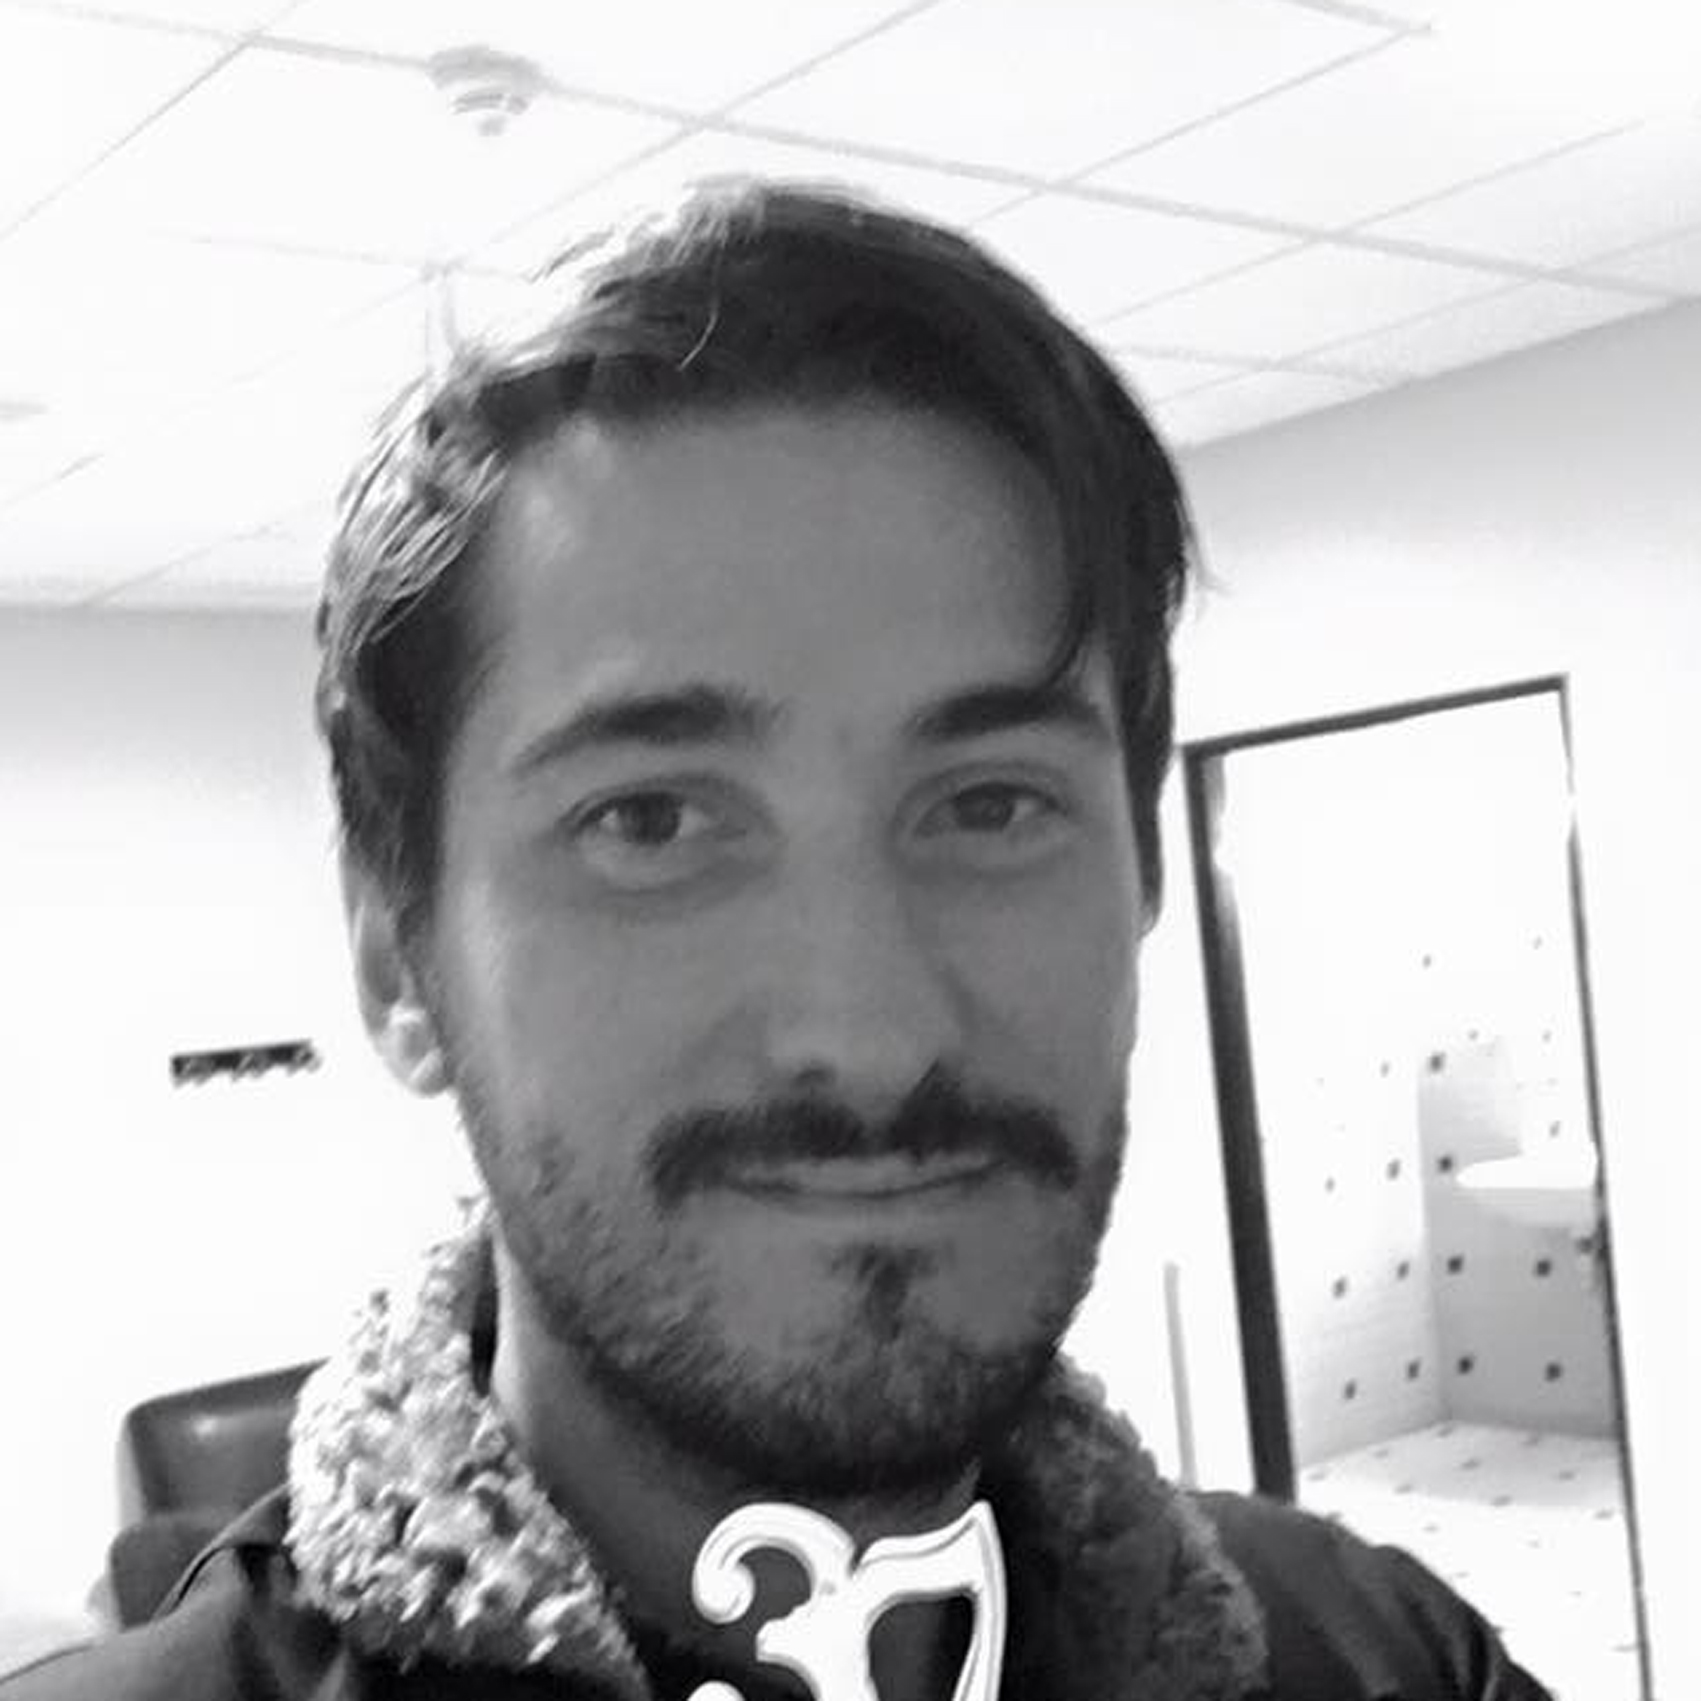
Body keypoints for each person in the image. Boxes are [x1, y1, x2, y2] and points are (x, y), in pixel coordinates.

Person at [1, 180, 1552, 1700]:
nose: (869, 1033)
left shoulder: (1386, 1655)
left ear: (1143, 866)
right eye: (652, 821)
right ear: (397, 960)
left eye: (990, 803)